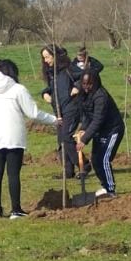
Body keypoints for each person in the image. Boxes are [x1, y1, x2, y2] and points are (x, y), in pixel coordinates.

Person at [0, 58, 58, 219]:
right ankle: (16, 209)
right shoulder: (17, 89)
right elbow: (33, 113)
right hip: (13, 137)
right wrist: (54, 120)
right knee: (13, 173)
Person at [74, 70, 126, 197]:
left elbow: (98, 119)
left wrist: (84, 139)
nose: (86, 87)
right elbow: (86, 114)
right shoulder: (83, 94)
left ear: (96, 83)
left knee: (104, 159)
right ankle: (104, 186)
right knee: (95, 160)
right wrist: (83, 128)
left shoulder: (101, 96)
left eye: (90, 84)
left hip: (112, 130)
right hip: (99, 131)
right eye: (84, 83)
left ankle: (110, 189)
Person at [40, 45, 85, 184]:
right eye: (44, 58)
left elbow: (86, 76)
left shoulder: (68, 69)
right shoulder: (51, 73)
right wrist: (45, 93)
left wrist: (77, 87)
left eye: (48, 56)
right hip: (59, 111)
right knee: (61, 140)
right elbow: (53, 87)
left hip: (71, 108)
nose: (46, 60)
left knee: (66, 137)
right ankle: (68, 171)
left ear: (55, 55)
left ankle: (84, 165)